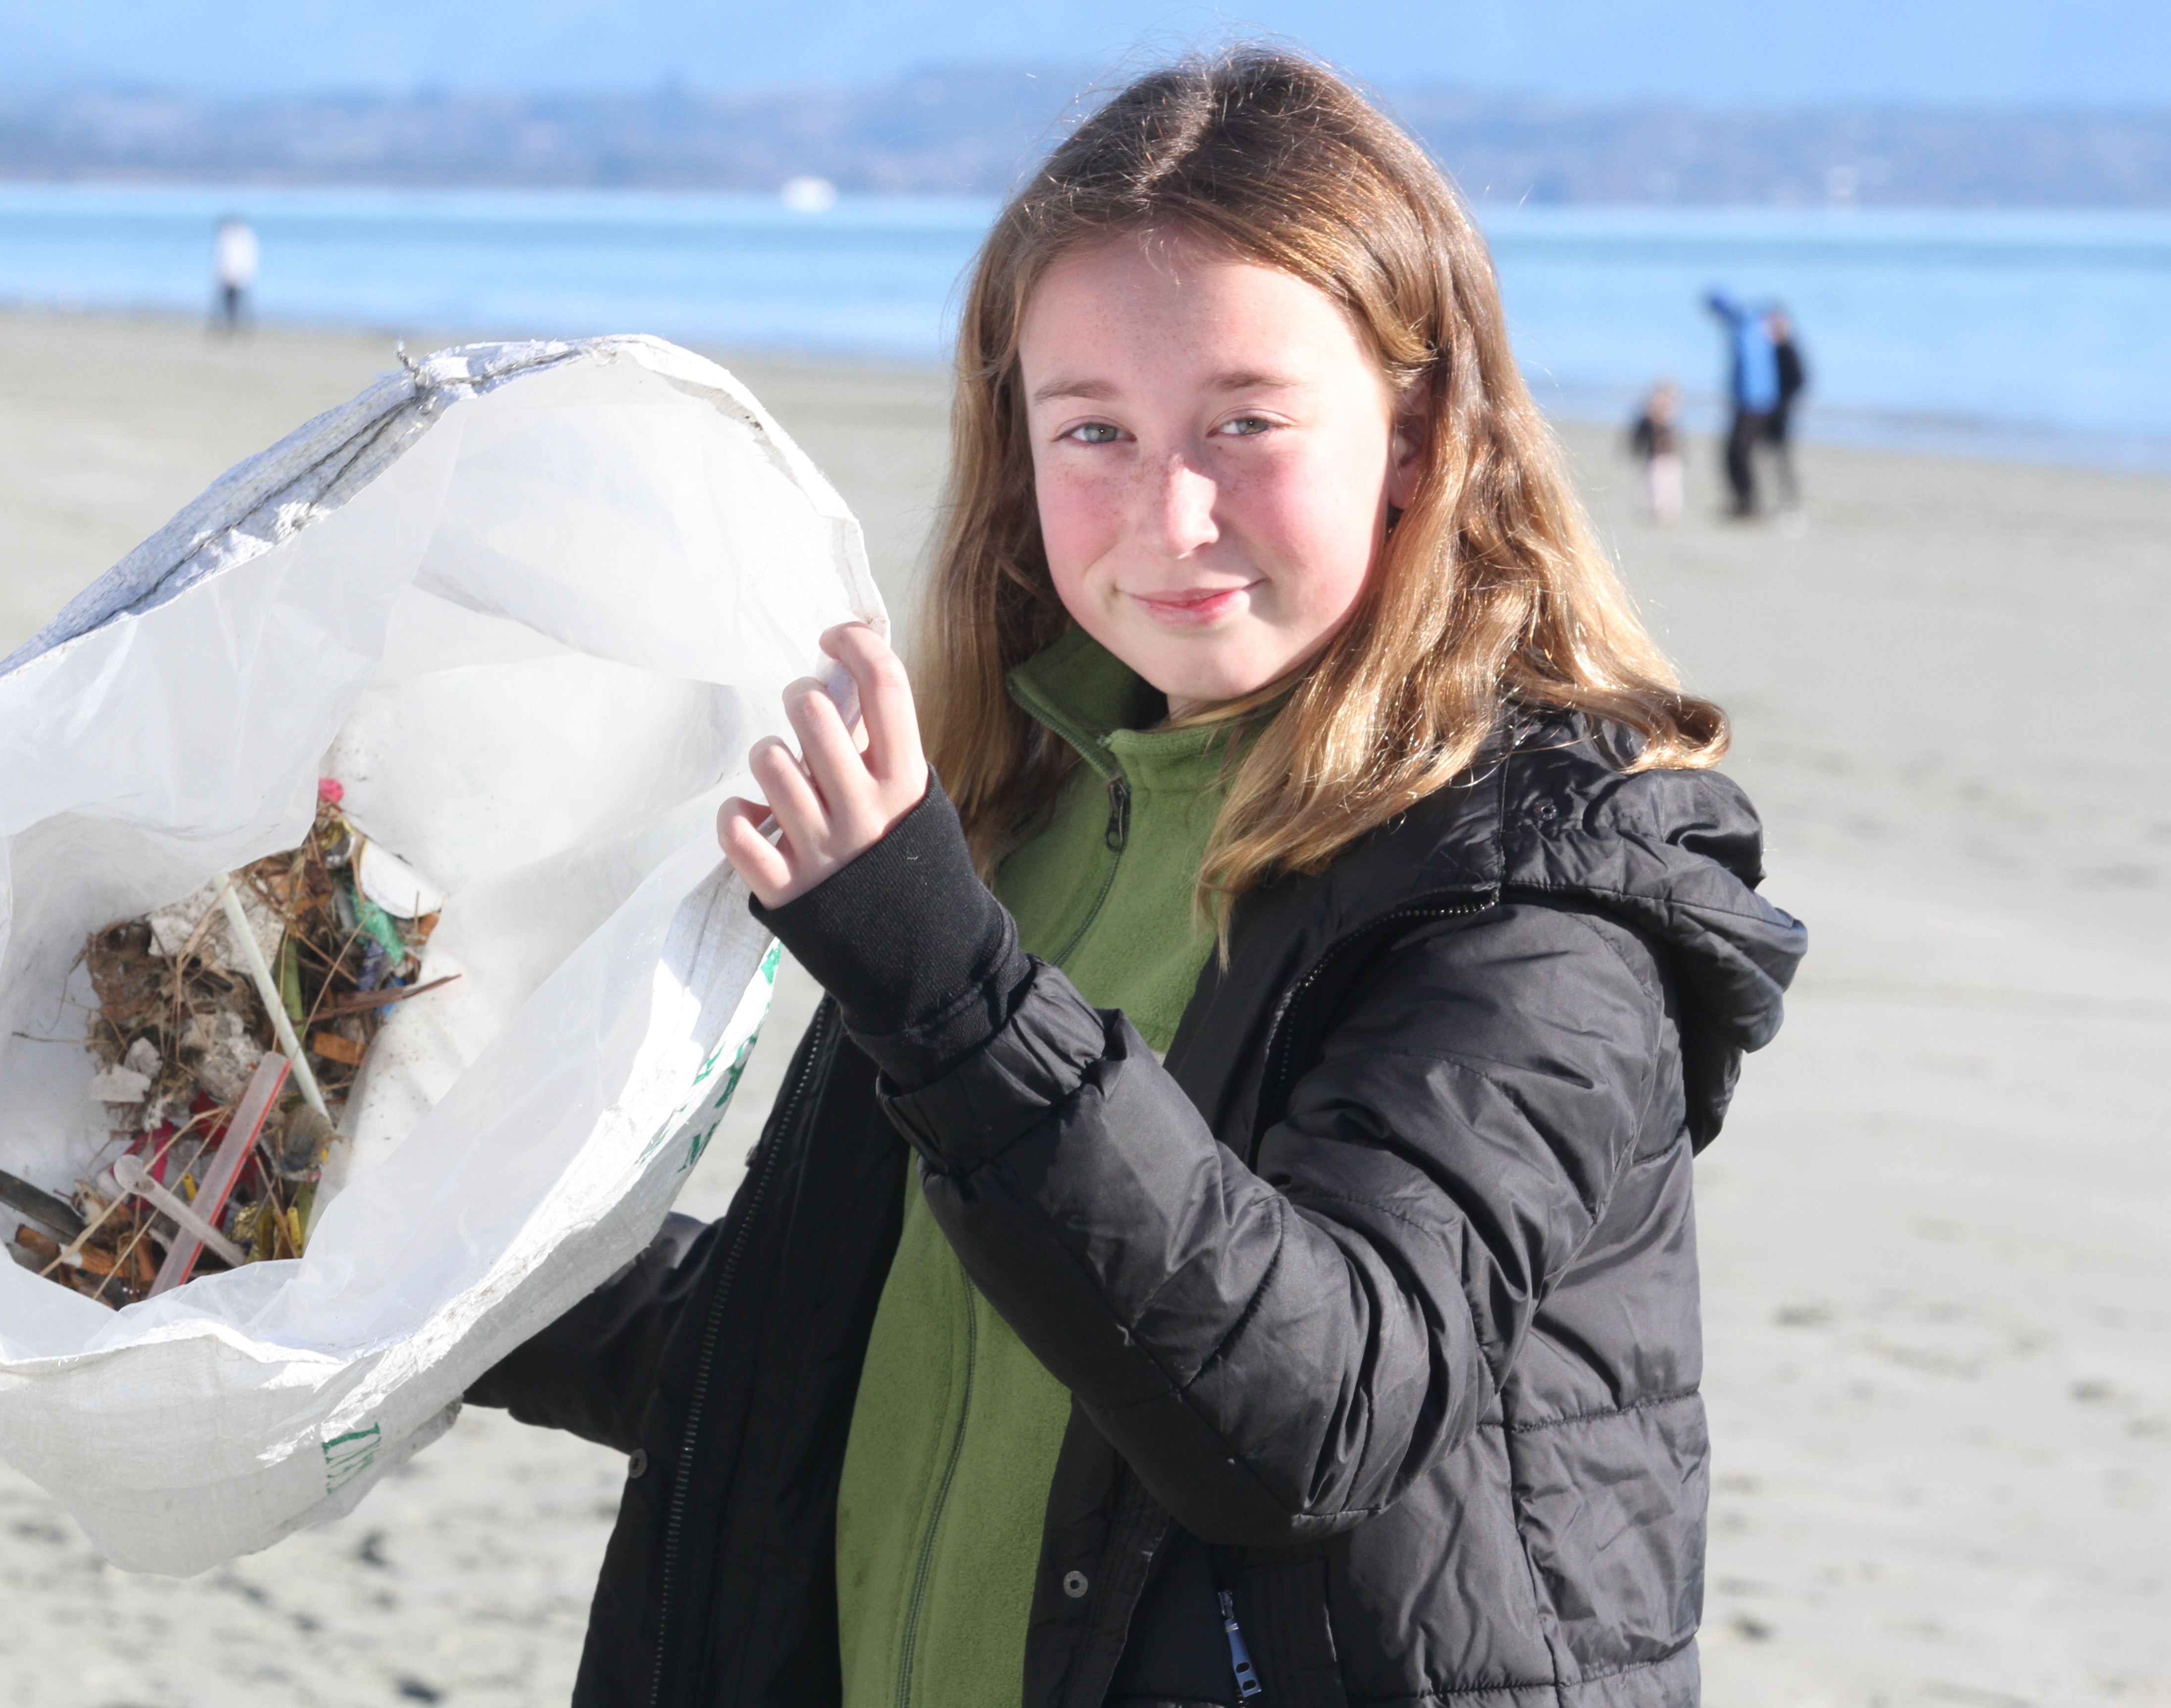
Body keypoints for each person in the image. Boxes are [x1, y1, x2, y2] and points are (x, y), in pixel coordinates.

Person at [467, 49, 1804, 1708]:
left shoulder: (1539, 891)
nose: (1169, 515)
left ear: (1416, 433)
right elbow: (815, 1356)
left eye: (1245, 421)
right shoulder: (1031, 818)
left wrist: (944, 984)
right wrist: (413, 1253)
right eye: (1091, 426)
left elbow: (1309, 1417)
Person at [1705, 288, 1779, 516]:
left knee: (1739, 453)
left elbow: (1749, 369)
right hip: (1752, 401)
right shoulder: (1749, 324)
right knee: (1735, 453)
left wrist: (1743, 398)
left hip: (1754, 402)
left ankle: (1749, 504)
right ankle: (1743, 502)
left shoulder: (1745, 327)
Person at [1765, 306, 1808, 512]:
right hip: (1766, 413)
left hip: (1781, 415)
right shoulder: (1768, 350)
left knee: (1783, 459)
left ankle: (1791, 502)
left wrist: (1784, 403)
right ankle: (1775, 501)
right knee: (1767, 460)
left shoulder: (1788, 350)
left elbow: (1799, 381)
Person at [1629, 378, 1685, 523]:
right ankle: (1656, 511)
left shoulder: (1672, 418)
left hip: (1671, 457)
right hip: (1654, 457)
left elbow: (1680, 439)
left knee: (1672, 485)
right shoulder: (1648, 420)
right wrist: (1635, 451)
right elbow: (1638, 438)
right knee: (1654, 485)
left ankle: (1671, 510)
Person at [212, 215, 257, 336]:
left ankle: (240, 329)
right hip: (227, 278)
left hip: (238, 278)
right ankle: (229, 328)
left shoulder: (243, 238)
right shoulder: (227, 237)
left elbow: (245, 260)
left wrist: (238, 275)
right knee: (227, 305)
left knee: (239, 305)